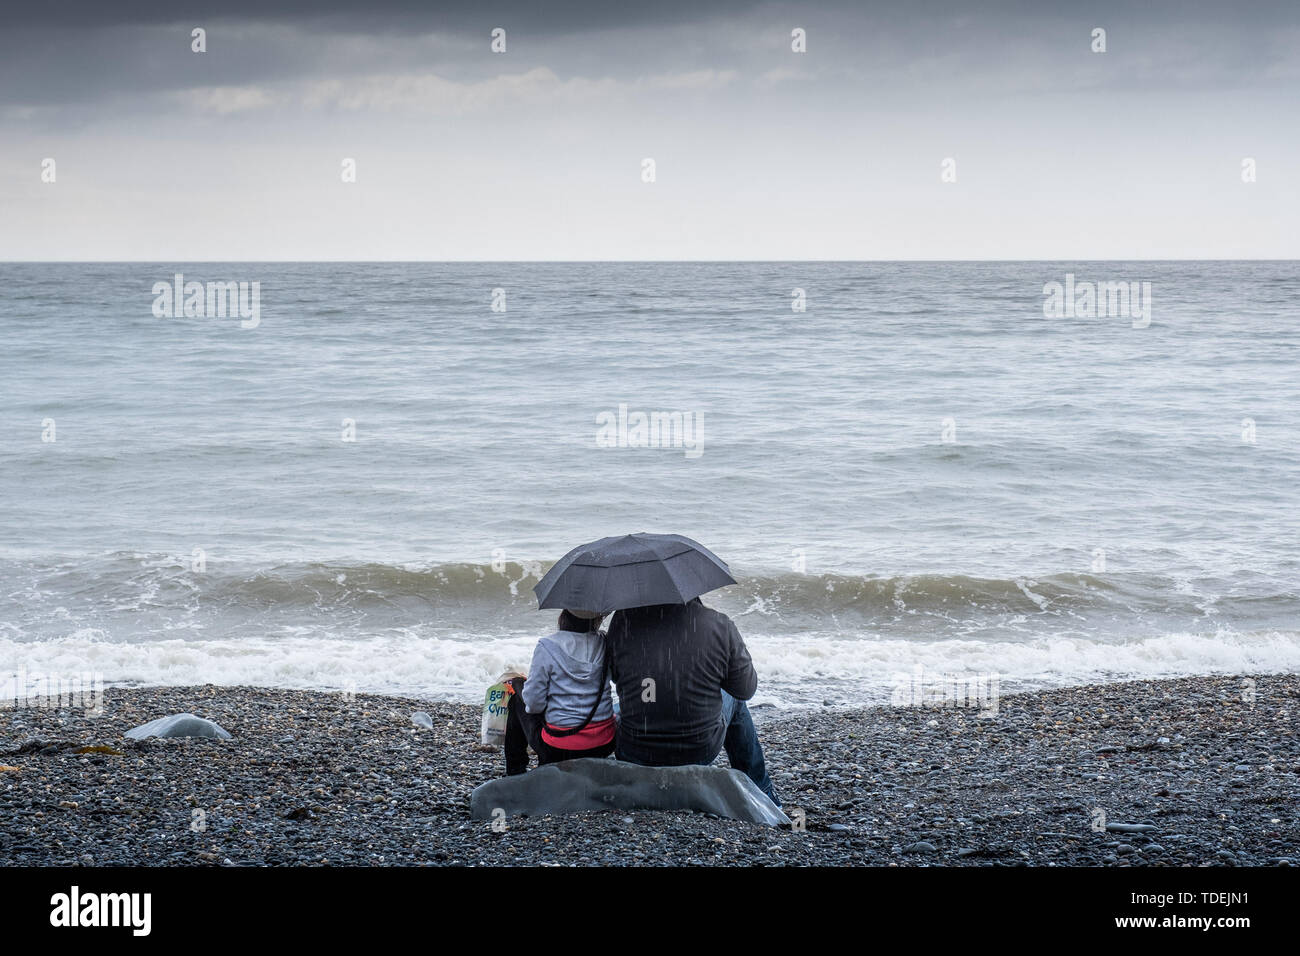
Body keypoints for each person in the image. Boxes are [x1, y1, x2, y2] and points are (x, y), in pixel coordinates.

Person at [605, 597, 779, 804]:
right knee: (734, 699)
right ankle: (761, 790)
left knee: (620, 705)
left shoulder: (623, 620)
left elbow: (618, 677)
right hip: (697, 750)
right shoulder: (718, 624)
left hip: (636, 751)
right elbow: (746, 690)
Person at [503, 609, 616, 776]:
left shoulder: (547, 646)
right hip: (604, 744)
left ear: (564, 614)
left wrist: (521, 686)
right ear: (596, 618)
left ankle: (516, 773)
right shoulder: (605, 642)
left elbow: (534, 704)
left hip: (558, 748)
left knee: (516, 699)